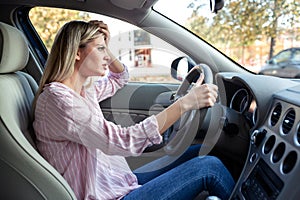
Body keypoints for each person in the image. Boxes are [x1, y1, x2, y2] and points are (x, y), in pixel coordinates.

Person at [33, 20, 235, 200]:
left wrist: (105, 45)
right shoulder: (59, 100)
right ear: (77, 53)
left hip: (115, 183)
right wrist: (185, 104)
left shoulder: (85, 91)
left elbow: (120, 78)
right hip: (107, 196)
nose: (106, 56)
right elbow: (120, 142)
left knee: (199, 152)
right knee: (210, 168)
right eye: (101, 49)